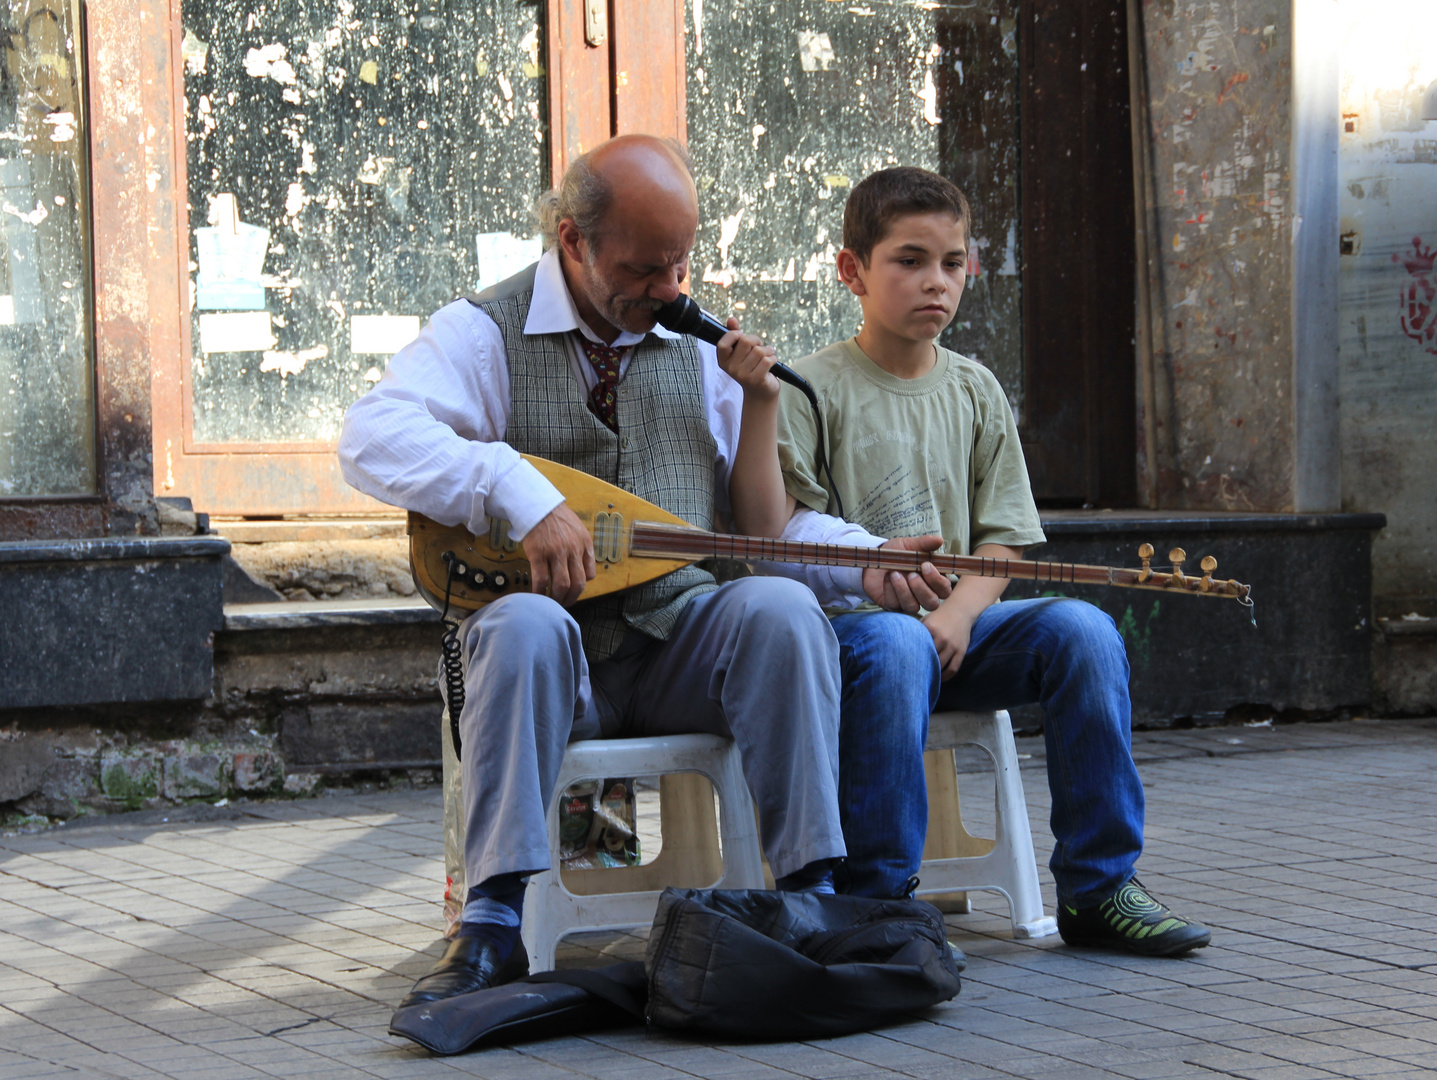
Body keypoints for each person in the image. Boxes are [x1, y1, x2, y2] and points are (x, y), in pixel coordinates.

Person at [339, 135, 849, 1008]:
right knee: (519, 623)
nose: (670, 289)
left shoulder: (698, 348)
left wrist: (869, 564)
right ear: (573, 241)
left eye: (680, 262)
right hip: (556, 666)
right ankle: (493, 928)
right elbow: (370, 438)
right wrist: (513, 488)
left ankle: (810, 901)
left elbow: (769, 528)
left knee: (778, 609)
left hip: (678, 647)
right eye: (644, 268)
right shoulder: (482, 332)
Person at [767, 166, 1212, 955]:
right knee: (895, 640)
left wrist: (958, 612)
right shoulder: (807, 388)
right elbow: (787, 535)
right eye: (908, 260)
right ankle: (878, 902)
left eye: (951, 262)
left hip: (956, 634)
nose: (934, 282)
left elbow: (1000, 542)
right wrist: (919, 623)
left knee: (1083, 631)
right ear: (851, 271)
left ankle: (1098, 887)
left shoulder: (974, 390)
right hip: (851, 644)